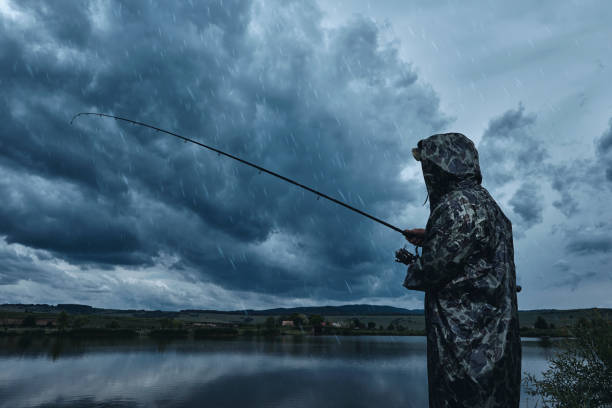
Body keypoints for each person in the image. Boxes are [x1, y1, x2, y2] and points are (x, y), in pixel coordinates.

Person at [399, 133, 521, 408]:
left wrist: (416, 264)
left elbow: (431, 270)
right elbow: (472, 255)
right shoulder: (490, 206)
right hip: (497, 348)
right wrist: (433, 235)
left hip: (465, 351)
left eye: (428, 166)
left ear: (442, 167)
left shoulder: (456, 207)